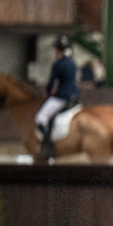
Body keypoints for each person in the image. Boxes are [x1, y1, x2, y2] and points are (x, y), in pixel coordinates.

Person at [35, 34, 80, 162]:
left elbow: (51, 83)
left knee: (40, 118)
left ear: (58, 49)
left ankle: (47, 146)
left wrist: (48, 91)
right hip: (75, 95)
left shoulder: (58, 64)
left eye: (55, 48)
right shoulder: (72, 62)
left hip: (62, 96)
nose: (54, 50)